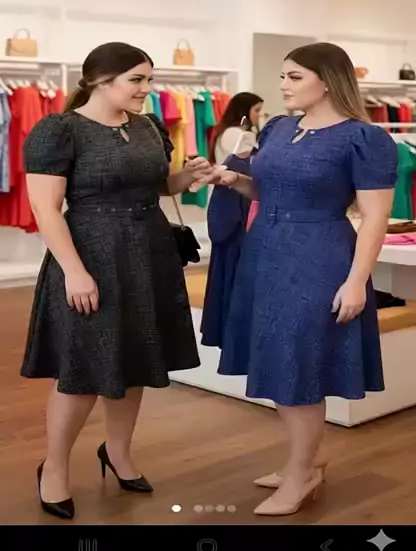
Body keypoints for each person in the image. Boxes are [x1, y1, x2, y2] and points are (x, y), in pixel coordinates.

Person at [20, 42, 212, 520]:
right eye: (137, 80)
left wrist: (185, 178)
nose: (147, 89)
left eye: (149, 79)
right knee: (81, 371)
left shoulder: (147, 126)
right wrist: (74, 271)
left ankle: (119, 453)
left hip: (149, 253)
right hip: (90, 256)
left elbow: (156, 186)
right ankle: (55, 468)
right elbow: (45, 208)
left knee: (137, 359)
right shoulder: (60, 131)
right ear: (100, 81)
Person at [212, 43, 398, 517]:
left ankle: (301, 474)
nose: (283, 85)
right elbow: (269, 189)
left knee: (299, 367)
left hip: (319, 255)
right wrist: (236, 181)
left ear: (328, 80)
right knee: (279, 362)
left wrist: (357, 280)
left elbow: (375, 217)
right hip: (264, 252)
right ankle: (305, 462)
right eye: (283, 76)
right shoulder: (279, 127)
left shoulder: (364, 138)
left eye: (294, 77)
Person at [209, 92, 263, 165]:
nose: (260, 114)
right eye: (257, 110)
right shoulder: (234, 133)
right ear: (243, 111)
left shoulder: (232, 131)